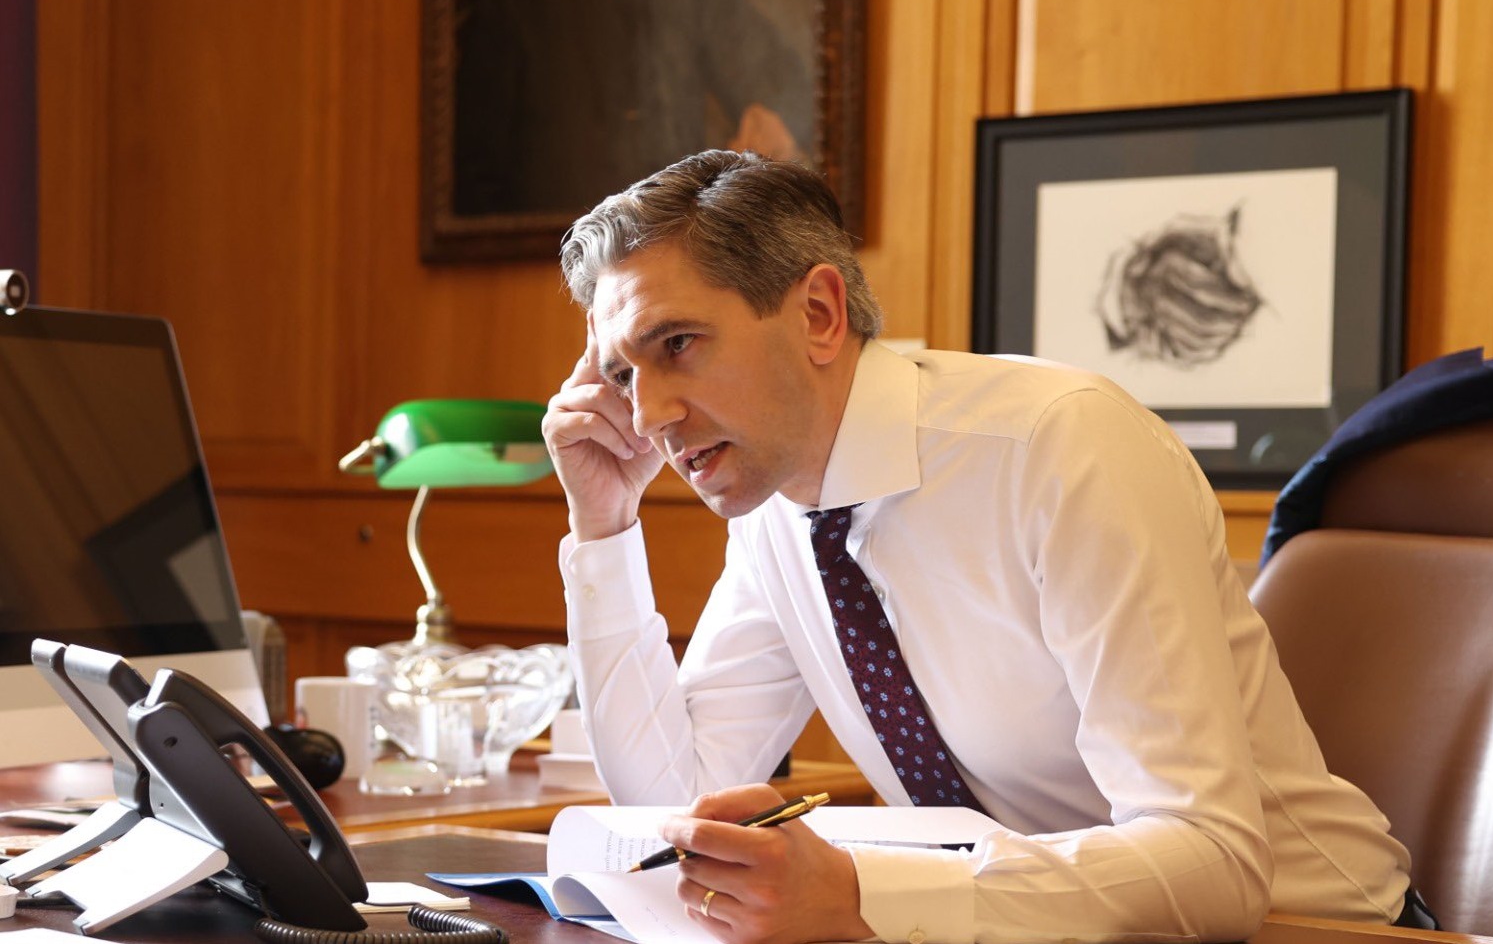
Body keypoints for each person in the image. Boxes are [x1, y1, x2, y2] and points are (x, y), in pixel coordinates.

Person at [540, 150, 1416, 944]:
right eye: (622, 374)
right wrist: (604, 525)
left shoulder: (1060, 446)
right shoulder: (780, 510)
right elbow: (670, 803)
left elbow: (1212, 861)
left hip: (1318, 929)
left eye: (678, 344)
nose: (647, 414)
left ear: (816, 312)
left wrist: (860, 892)